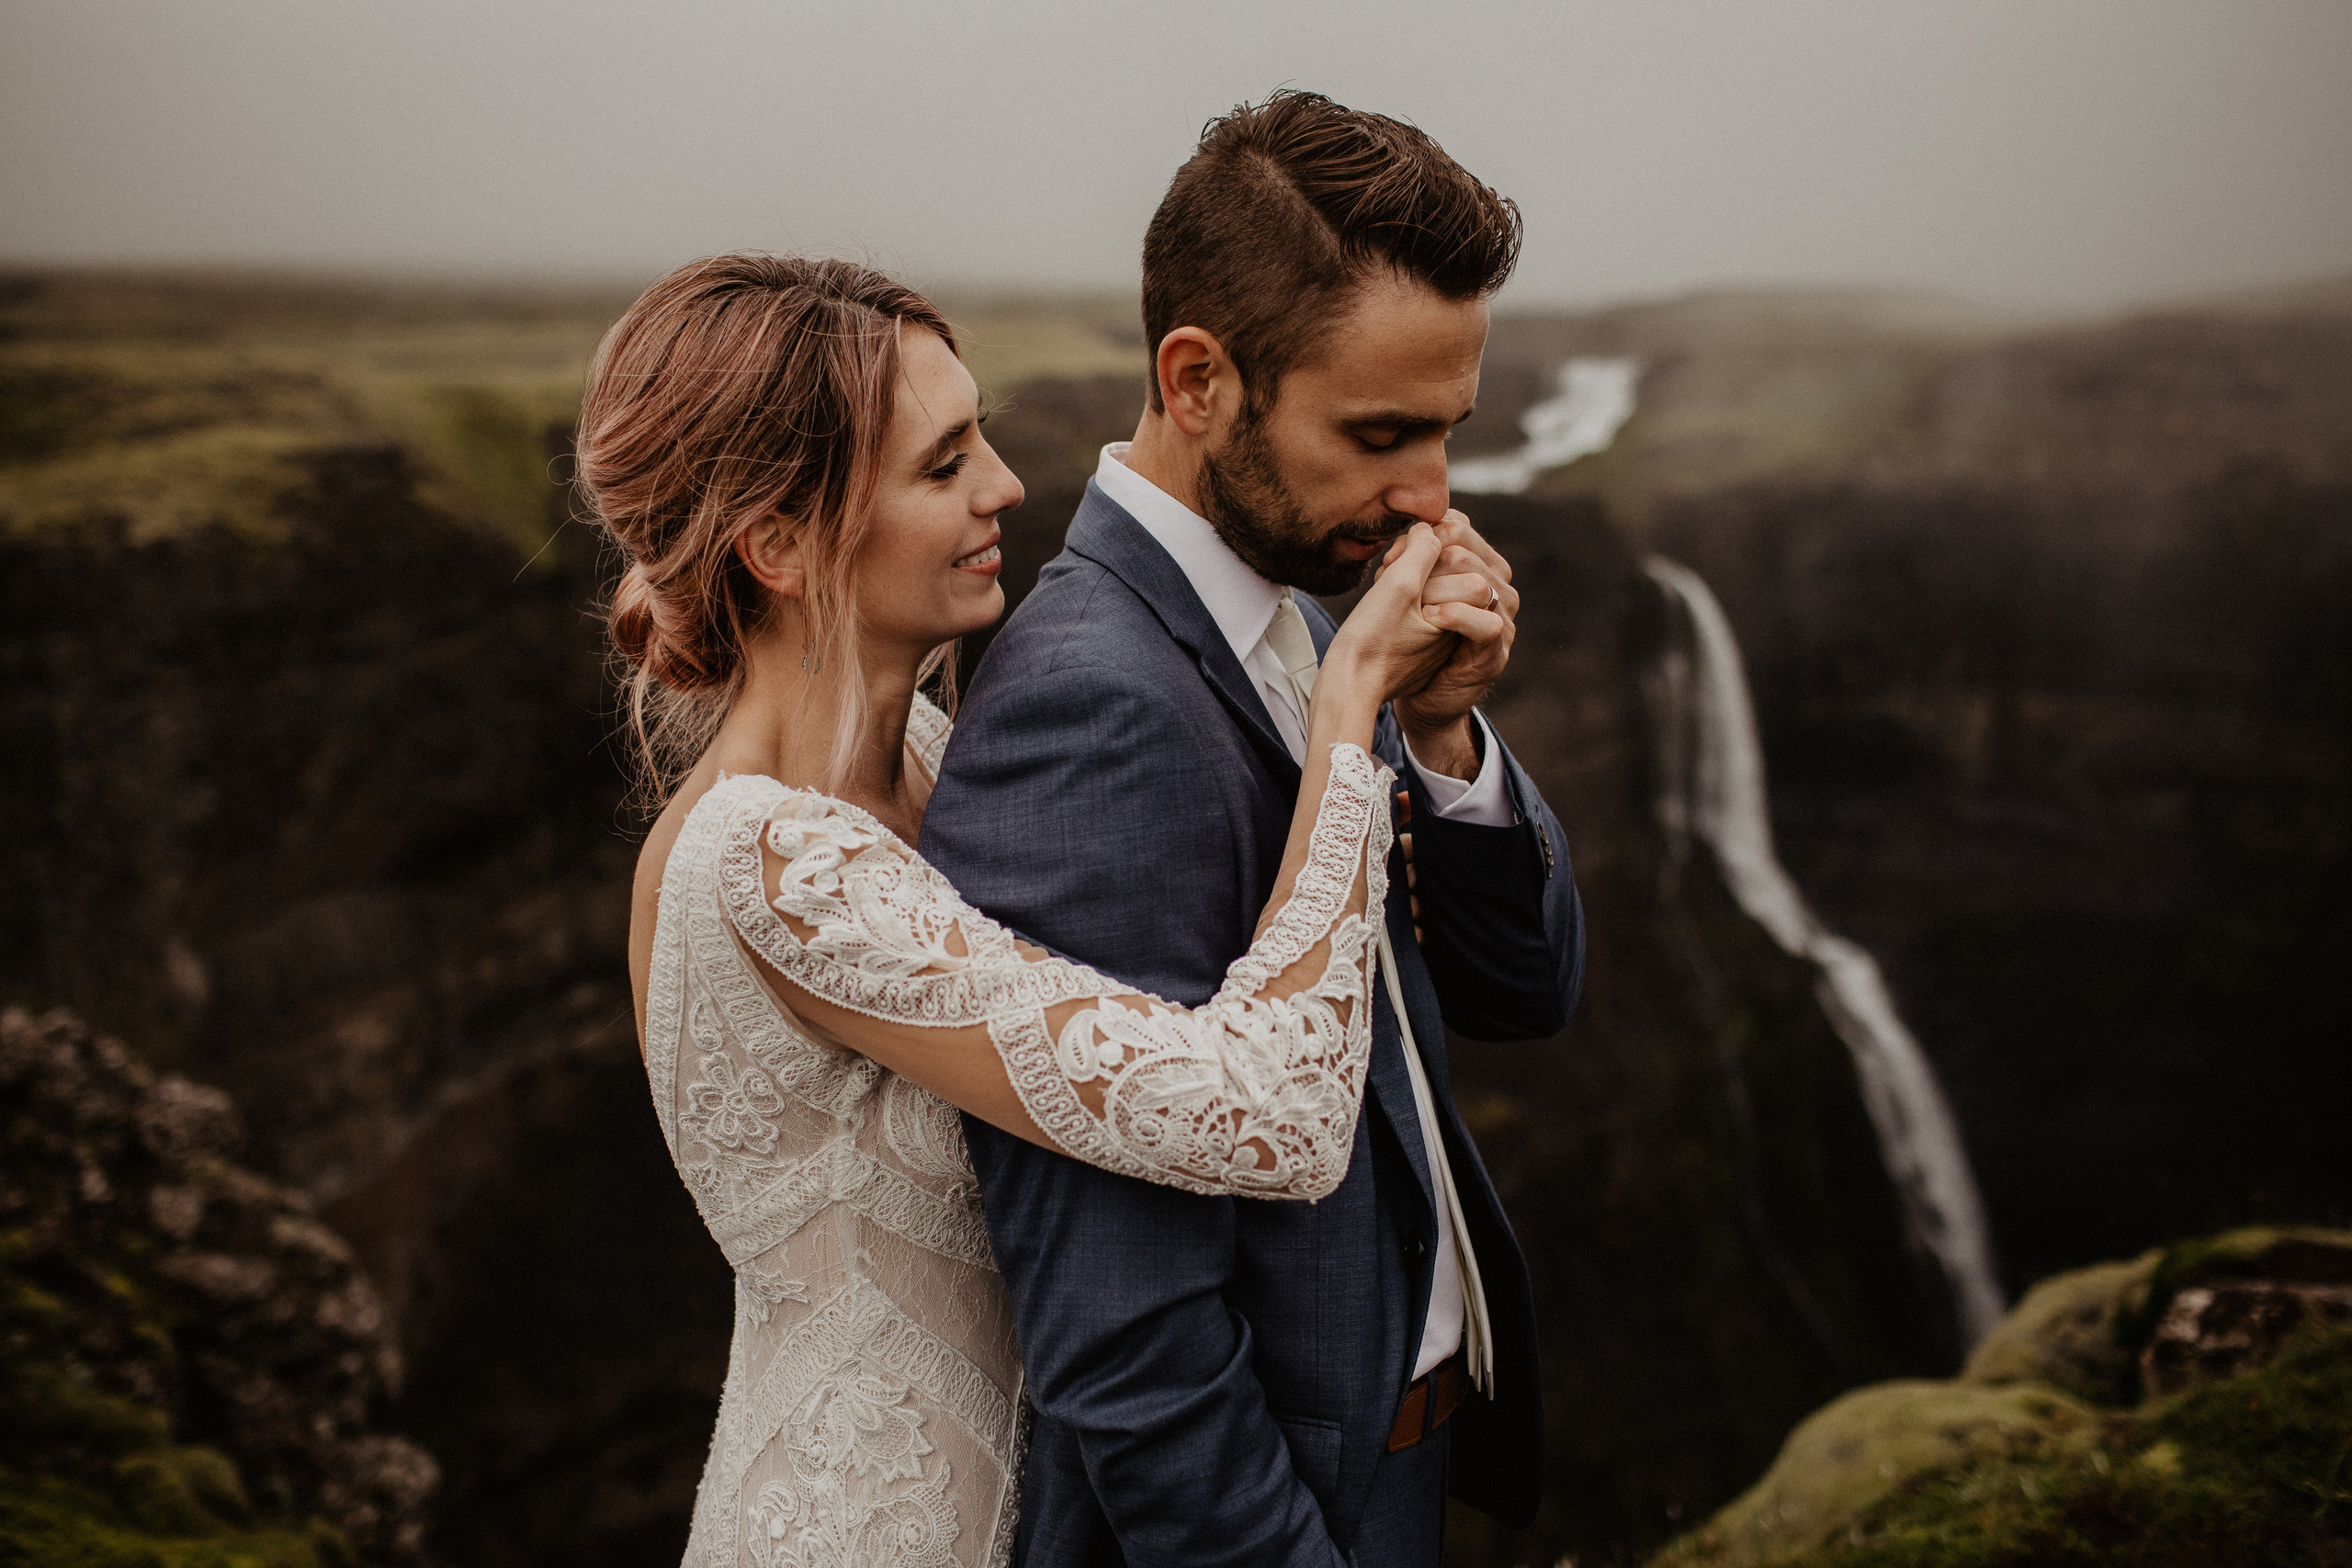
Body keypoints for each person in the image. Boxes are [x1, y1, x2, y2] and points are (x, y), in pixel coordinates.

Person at [581, 252, 1471, 1567]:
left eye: (981, 437)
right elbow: (1270, 1115)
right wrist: (1347, 711)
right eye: (943, 465)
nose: (1004, 484)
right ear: (777, 545)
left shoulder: (933, 762)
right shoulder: (768, 862)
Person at [920, 91, 1587, 1566]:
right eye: (1379, 433)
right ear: (1200, 379)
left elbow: (1523, 990)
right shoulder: (1094, 711)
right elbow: (1127, 1338)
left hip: (1395, 1461)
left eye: (1448, 433)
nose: (1431, 500)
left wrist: (1442, 738)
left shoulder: (1310, 624)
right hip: (1278, 1515)